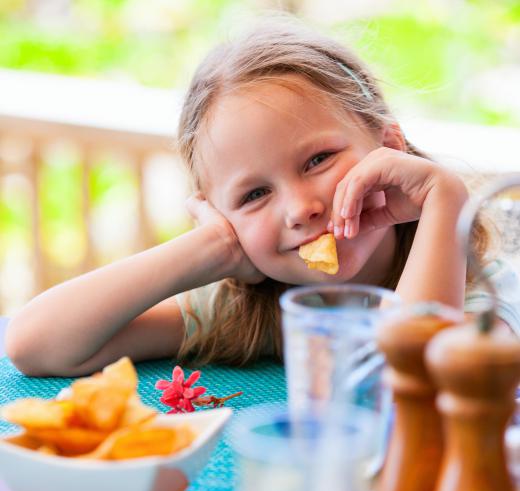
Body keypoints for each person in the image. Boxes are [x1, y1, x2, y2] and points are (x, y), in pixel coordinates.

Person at [6, 16, 520, 377]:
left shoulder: (481, 294)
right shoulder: (250, 309)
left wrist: (442, 200)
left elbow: (409, 384)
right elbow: (34, 346)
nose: (301, 209)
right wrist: (213, 249)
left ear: (388, 146)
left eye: (318, 160)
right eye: (253, 195)